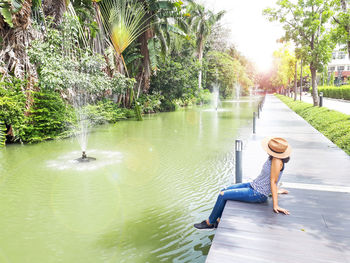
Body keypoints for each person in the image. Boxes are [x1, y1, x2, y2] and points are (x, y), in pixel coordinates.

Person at [194, 137, 292, 230]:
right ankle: (218, 220)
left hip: (258, 194)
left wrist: (276, 205)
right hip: (253, 185)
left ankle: (210, 223)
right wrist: (277, 191)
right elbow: (269, 178)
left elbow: (273, 181)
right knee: (224, 190)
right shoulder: (273, 158)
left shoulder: (276, 161)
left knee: (222, 195)